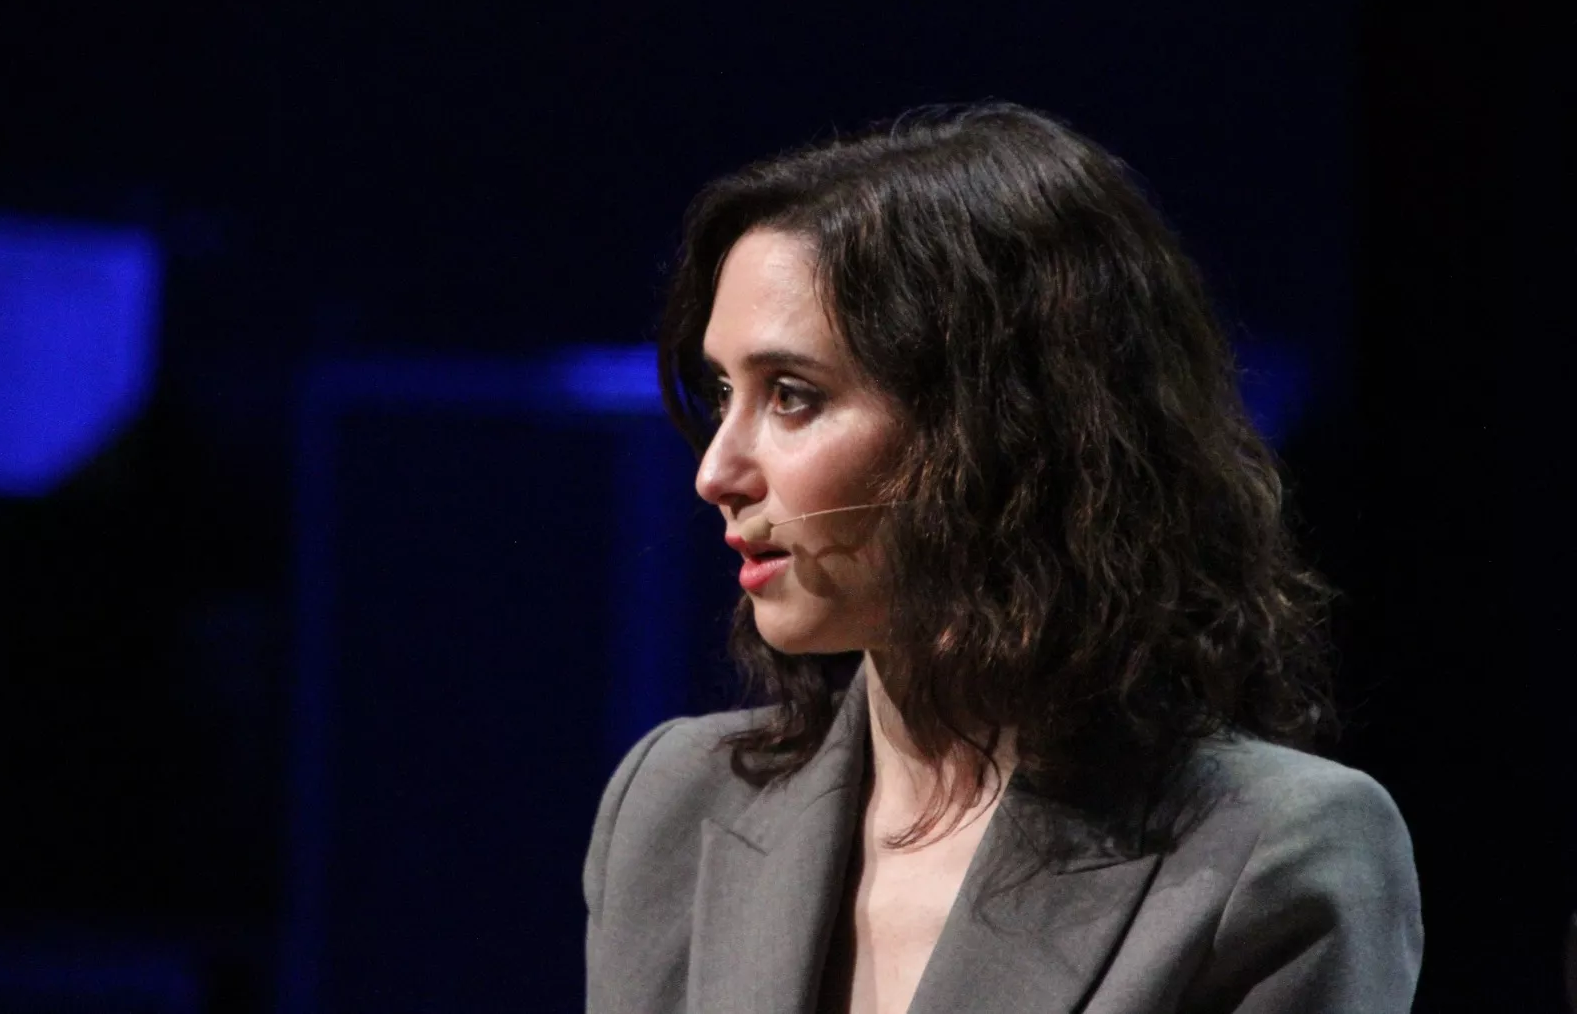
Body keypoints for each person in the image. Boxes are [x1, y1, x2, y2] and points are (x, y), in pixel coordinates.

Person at [584, 103, 1422, 1014]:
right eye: (722, 392)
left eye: (792, 396)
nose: (716, 472)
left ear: (997, 433)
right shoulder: (671, 805)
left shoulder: (1274, 855)